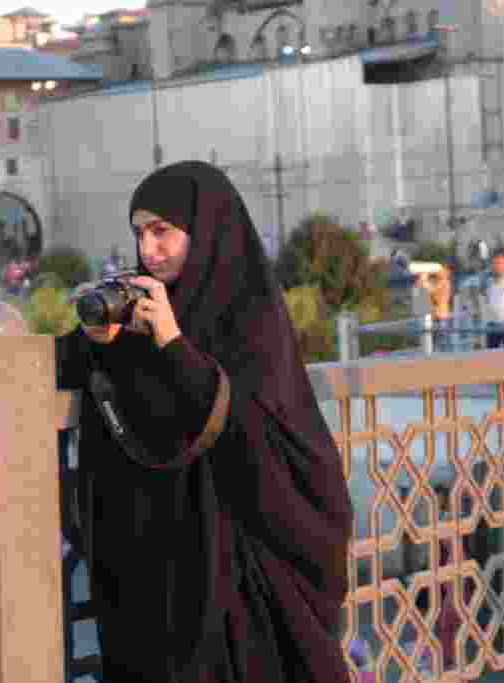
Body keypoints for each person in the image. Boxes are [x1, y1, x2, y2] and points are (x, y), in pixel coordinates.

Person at [56, 161, 354, 682]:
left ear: (207, 228)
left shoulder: (251, 320)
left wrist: (173, 343)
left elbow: (248, 433)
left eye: (163, 231)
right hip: (157, 581)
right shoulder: (139, 313)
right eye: (140, 234)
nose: (150, 250)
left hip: (233, 574)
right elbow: (66, 370)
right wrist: (96, 341)